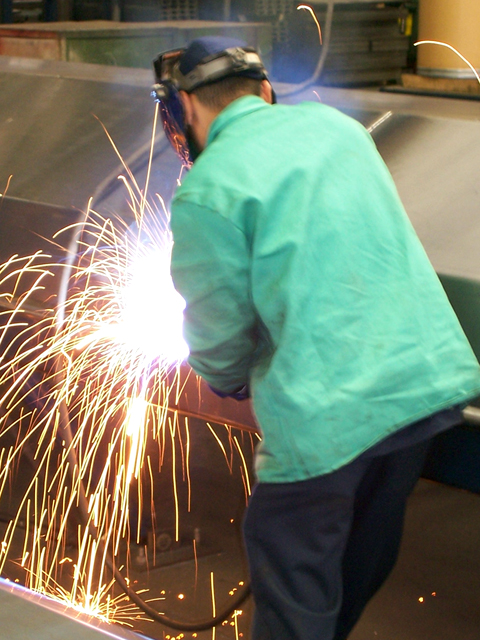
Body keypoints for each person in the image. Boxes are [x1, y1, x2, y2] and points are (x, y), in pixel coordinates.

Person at [152, 36, 480, 639]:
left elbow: (220, 334)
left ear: (188, 111)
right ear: (266, 92)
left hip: (329, 412)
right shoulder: (339, 129)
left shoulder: (208, 188)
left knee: (289, 571)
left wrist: (223, 375)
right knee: (354, 562)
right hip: (425, 388)